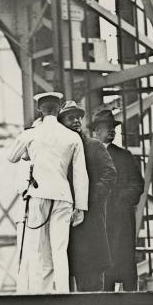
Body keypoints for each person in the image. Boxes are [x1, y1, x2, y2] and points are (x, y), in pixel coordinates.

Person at [7, 92, 89, 293]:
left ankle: (39, 293)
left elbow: (11, 157)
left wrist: (29, 153)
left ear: (39, 110)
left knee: (37, 249)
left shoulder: (31, 134)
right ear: (59, 109)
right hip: (63, 197)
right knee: (59, 250)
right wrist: (81, 207)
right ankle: (62, 292)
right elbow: (80, 174)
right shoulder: (72, 137)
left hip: (38, 195)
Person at [58, 101, 116, 292]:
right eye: (70, 118)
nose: (76, 121)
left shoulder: (94, 146)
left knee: (91, 270)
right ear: (60, 123)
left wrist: (88, 200)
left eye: (78, 117)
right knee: (64, 268)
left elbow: (110, 174)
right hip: (64, 217)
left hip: (90, 219)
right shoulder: (58, 149)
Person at [90, 109, 144, 291]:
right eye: (107, 127)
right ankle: (104, 303)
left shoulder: (124, 156)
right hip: (98, 216)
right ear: (97, 131)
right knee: (102, 260)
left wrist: (123, 199)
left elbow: (138, 184)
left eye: (113, 128)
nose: (112, 131)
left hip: (121, 216)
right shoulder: (87, 156)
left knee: (125, 258)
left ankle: (132, 303)